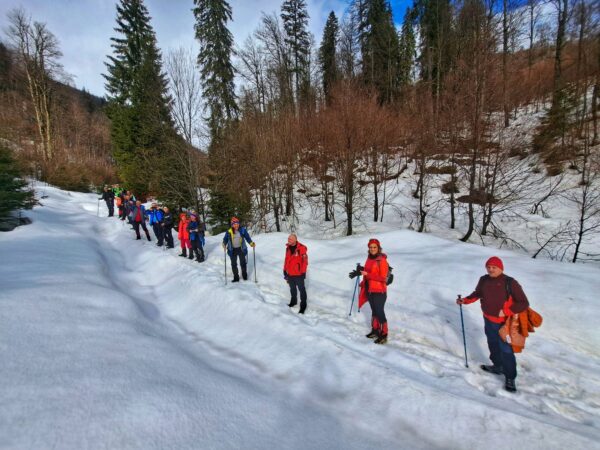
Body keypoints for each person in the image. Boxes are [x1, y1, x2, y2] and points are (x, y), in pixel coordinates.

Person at [457, 256, 529, 393]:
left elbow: (523, 303)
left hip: (504, 324)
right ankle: (498, 366)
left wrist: (507, 311)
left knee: (506, 350)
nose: (491, 269)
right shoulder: (484, 279)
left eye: (494, 267)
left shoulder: (510, 282)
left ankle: (510, 377)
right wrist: (465, 300)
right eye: (488, 267)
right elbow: (478, 293)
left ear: (501, 268)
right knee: (493, 344)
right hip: (488, 320)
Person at [350, 238, 390, 344]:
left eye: (374, 247)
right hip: (370, 289)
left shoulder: (382, 260)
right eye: (370, 247)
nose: (372, 249)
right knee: (374, 311)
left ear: (378, 248)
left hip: (379, 291)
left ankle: (384, 334)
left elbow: (383, 278)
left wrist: (367, 274)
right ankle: (375, 330)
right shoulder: (369, 258)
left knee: (380, 312)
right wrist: (360, 270)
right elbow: (369, 271)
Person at [222, 217, 255, 282]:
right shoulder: (229, 232)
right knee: (233, 264)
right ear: (232, 225)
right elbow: (225, 239)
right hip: (232, 249)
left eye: (237, 223)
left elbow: (247, 237)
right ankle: (236, 278)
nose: (236, 225)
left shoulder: (243, 230)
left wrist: (251, 243)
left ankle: (244, 276)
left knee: (243, 263)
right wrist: (224, 244)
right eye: (234, 224)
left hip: (241, 249)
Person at [283, 234, 308, 314]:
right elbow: (286, 259)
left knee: (302, 290)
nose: (288, 240)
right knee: (292, 289)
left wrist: (303, 272)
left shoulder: (301, 248)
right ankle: (293, 302)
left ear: (294, 240)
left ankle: (303, 306)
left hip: (299, 274)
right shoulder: (288, 248)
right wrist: (284, 270)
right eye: (288, 239)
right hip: (290, 273)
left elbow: (305, 262)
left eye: (290, 239)